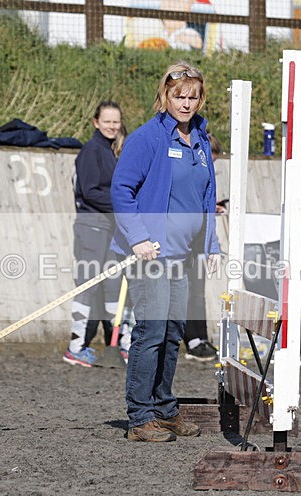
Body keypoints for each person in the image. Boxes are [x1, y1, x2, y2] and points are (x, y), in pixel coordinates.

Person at [111, 61, 220, 442]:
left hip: (184, 257)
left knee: (173, 333)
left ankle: (164, 408)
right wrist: (138, 237)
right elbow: (121, 189)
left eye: (193, 97)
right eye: (179, 96)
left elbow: (206, 197)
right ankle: (140, 418)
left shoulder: (202, 140)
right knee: (151, 332)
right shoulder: (147, 138)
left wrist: (211, 245)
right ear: (165, 96)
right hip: (151, 255)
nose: (186, 103)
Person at [65, 101, 127, 367]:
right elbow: (90, 191)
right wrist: (124, 206)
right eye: (107, 121)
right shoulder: (91, 150)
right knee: (88, 286)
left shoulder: (109, 150)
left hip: (110, 228)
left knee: (113, 284)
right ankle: (75, 347)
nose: (112, 126)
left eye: (116, 122)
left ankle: (121, 343)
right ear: (96, 122)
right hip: (92, 228)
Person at [183, 132, 223, 362]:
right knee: (188, 292)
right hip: (185, 243)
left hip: (199, 241)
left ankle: (202, 337)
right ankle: (192, 340)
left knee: (198, 292)